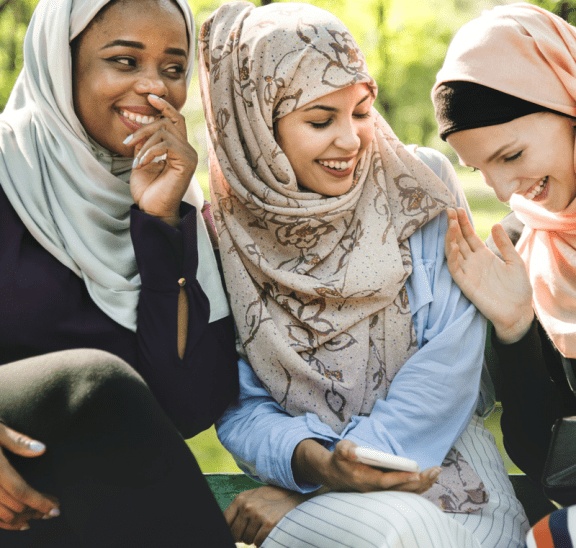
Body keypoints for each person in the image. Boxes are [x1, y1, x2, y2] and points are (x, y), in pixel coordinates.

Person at [198, 2, 529, 547]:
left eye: (360, 110)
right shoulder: (222, 236)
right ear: (257, 126)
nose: (352, 139)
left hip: (451, 480)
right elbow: (238, 404)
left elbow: (448, 362)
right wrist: (319, 469)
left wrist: (337, 483)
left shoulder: (417, 187)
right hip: (315, 499)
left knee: (408, 530)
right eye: (320, 120)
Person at [0, 0, 238, 544]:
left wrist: (157, 223)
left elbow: (183, 405)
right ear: (62, 63)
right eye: (125, 62)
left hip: (71, 514)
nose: (155, 89)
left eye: (173, 68)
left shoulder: (179, 208)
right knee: (92, 380)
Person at [432, 2, 576, 492]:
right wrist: (515, 329)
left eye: (511, 155)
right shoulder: (521, 249)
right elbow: (545, 462)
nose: (502, 191)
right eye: (480, 170)